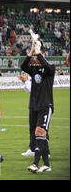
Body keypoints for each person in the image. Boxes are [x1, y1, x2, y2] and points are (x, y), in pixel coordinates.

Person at [21, 43, 55, 173]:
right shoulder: (34, 69)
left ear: (44, 56)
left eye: (39, 56)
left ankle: (35, 163)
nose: (37, 58)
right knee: (40, 134)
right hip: (34, 106)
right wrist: (30, 53)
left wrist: (39, 52)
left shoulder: (50, 68)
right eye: (36, 56)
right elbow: (23, 66)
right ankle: (46, 164)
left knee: (39, 132)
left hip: (46, 105)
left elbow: (47, 66)